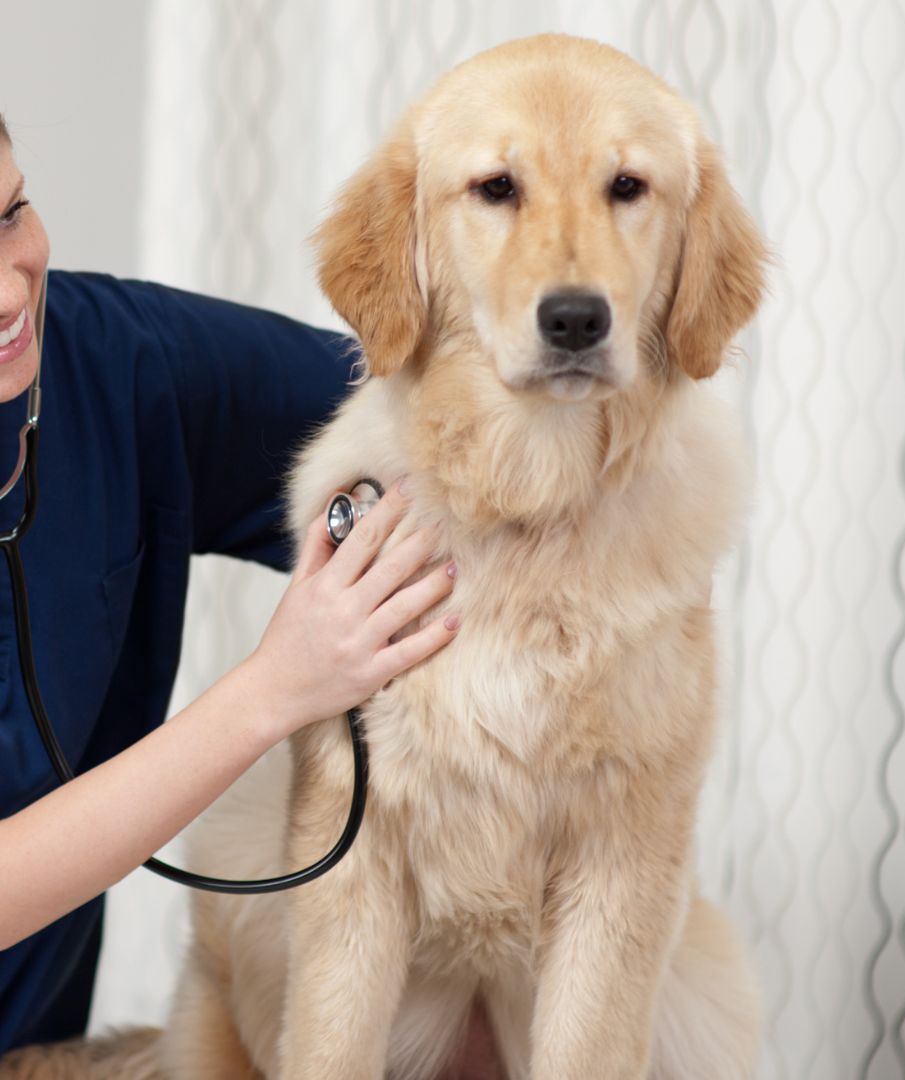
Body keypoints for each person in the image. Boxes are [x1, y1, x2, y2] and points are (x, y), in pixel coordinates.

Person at [0, 113, 462, 1056]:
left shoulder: (110, 363)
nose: (11, 290)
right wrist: (277, 687)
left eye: (10, 215)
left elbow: (415, 410)